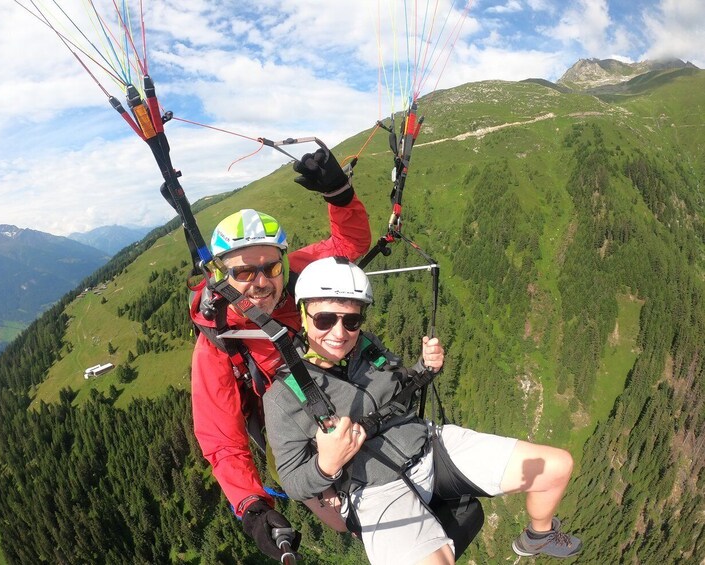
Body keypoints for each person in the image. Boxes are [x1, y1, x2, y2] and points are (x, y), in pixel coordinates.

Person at [263, 257, 583, 564]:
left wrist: (425, 368)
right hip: (376, 490)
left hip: (431, 446)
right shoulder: (283, 397)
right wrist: (326, 464)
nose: (339, 332)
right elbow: (292, 481)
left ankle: (539, 535)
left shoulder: (366, 346)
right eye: (325, 319)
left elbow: (399, 388)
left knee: (555, 467)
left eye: (351, 320)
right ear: (303, 314)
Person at [189, 149, 371, 560]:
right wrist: (252, 507)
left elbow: (349, 243)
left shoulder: (296, 276)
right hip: (295, 432)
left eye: (269, 268)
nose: (259, 282)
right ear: (221, 276)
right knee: (356, 522)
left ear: (283, 264)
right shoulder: (218, 341)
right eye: (242, 272)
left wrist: (339, 195)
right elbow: (221, 438)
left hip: (342, 393)